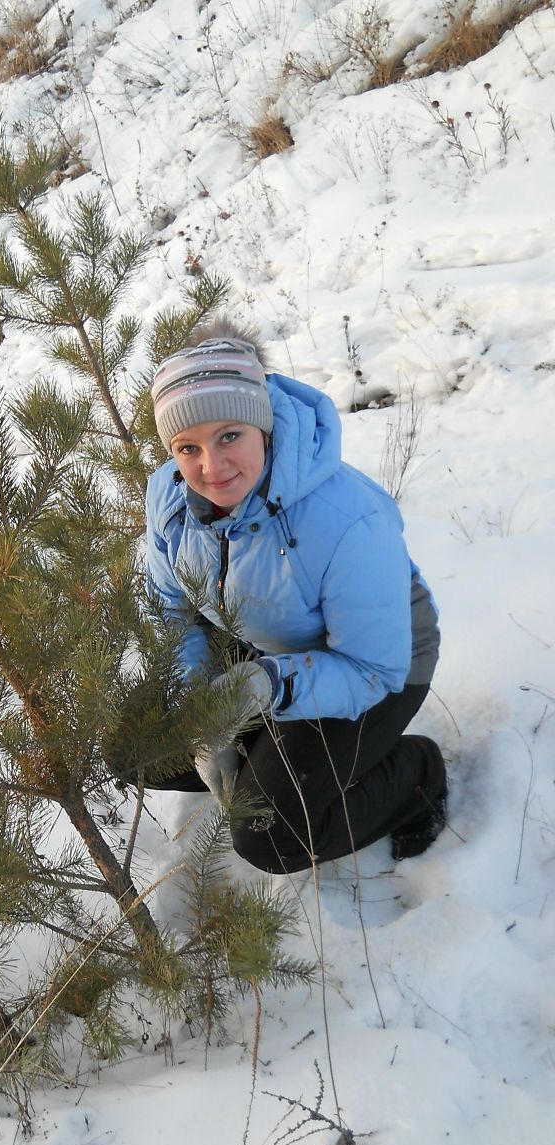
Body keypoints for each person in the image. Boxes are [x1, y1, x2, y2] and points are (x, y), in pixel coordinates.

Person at [143, 324, 447, 875]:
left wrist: (262, 688)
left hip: (376, 663)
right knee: (139, 748)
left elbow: (374, 668)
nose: (211, 467)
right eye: (188, 447)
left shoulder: (345, 519)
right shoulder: (171, 496)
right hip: (263, 639)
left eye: (229, 435)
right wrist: (201, 708)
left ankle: (417, 775)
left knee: (270, 838)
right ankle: (269, 757)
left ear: (262, 424)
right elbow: (171, 605)